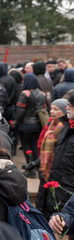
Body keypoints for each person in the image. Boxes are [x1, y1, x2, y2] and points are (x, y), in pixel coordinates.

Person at [41, 95, 74, 223]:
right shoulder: (66, 127)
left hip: (68, 192)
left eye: (70, 106)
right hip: (56, 185)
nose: (67, 108)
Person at [14, 74, 46, 178]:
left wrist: (15, 121)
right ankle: (34, 166)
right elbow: (44, 109)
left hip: (25, 124)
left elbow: (20, 110)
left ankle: (30, 168)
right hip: (38, 124)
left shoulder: (25, 93)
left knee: (26, 145)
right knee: (35, 146)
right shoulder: (42, 93)